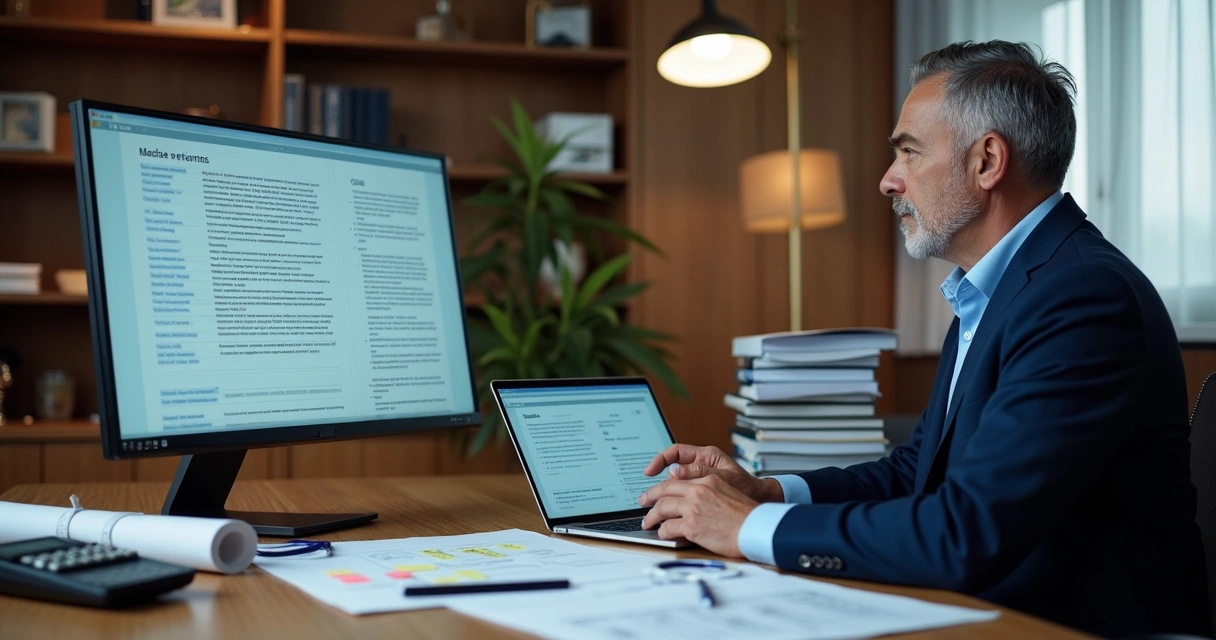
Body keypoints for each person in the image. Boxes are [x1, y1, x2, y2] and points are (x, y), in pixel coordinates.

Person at [637, 40, 1209, 637]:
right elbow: (922, 471)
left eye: (908, 152)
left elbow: (966, 532)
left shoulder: (1083, 297)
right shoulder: (996, 287)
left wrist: (744, 527)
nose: (888, 181)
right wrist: (767, 491)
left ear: (987, 161)